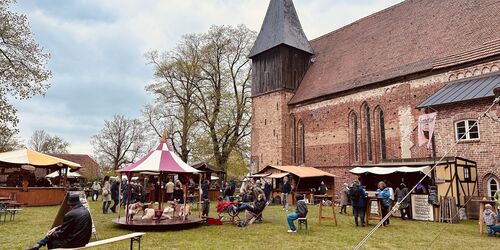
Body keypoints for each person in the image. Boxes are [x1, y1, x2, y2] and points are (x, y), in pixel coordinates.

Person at [27, 194, 92, 250]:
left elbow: (63, 233)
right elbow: (70, 227)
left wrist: (51, 234)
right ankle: (39, 245)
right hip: (84, 240)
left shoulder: (70, 214)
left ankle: (39, 244)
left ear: (71, 204)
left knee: (51, 241)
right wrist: (56, 228)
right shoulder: (85, 210)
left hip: (75, 242)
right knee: (52, 234)